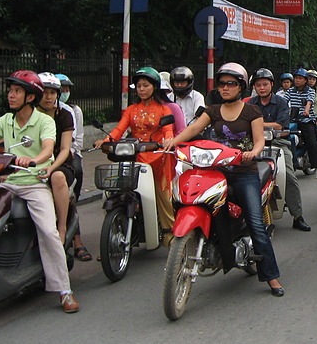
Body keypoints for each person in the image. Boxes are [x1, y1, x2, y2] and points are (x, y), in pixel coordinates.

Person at [0, 70, 79, 313]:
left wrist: (34, 159)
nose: (10, 95)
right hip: (6, 181)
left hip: (34, 183)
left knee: (48, 230)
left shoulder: (44, 121)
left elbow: (48, 149)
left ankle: (64, 290)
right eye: (10, 90)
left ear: (29, 97)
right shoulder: (6, 120)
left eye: (16, 91)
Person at [164, 63, 284, 296]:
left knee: (256, 225)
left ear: (241, 87)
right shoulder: (213, 110)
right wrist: (174, 141)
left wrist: (253, 152)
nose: (225, 88)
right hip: (216, 171)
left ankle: (271, 276)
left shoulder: (252, 112)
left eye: (231, 83)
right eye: (222, 83)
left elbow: (259, 140)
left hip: (244, 173)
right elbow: (193, 129)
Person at [95, 67, 175, 243]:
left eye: (145, 85)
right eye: (139, 86)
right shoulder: (131, 109)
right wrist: (105, 140)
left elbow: (168, 130)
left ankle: (169, 232)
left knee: (163, 197)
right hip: (135, 156)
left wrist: (169, 140)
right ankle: (112, 234)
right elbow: (119, 129)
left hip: (158, 156)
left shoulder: (164, 110)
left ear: (154, 87)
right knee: (115, 189)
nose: (141, 89)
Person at [247, 68, 311, 232]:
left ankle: (297, 216)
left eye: (265, 84)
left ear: (272, 85)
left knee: (289, 175)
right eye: (258, 85)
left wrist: (256, 124)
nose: (262, 88)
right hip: (253, 145)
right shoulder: (250, 104)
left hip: (278, 143)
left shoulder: (281, 102)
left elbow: (280, 125)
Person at [55, 73, 91, 261]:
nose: (62, 93)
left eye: (65, 89)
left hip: (67, 156)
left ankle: (76, 240)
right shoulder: (34, 113)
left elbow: (76, 142)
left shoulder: (70, 112)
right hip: (42, 160)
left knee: (71, 193)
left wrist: (64, 155)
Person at [36, 73, 75, 246]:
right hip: (32, 164)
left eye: (52, 93)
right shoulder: (27, 114)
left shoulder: (64, 115)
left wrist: (51, 168)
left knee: (57, 177)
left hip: (59, 164)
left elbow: (66, 149)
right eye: (44, 92)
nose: (49, 97)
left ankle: (62, 228)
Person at [285, 68, 317, 179]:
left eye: (300, 78)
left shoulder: (311, 91)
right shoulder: (290, 91)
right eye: (296, 78)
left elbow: (309, 101)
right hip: (292, 120)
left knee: (312, 144)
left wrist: (306, 110)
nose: (297, 80)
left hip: (307, 120)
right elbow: (283, 101)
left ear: (305, 80)